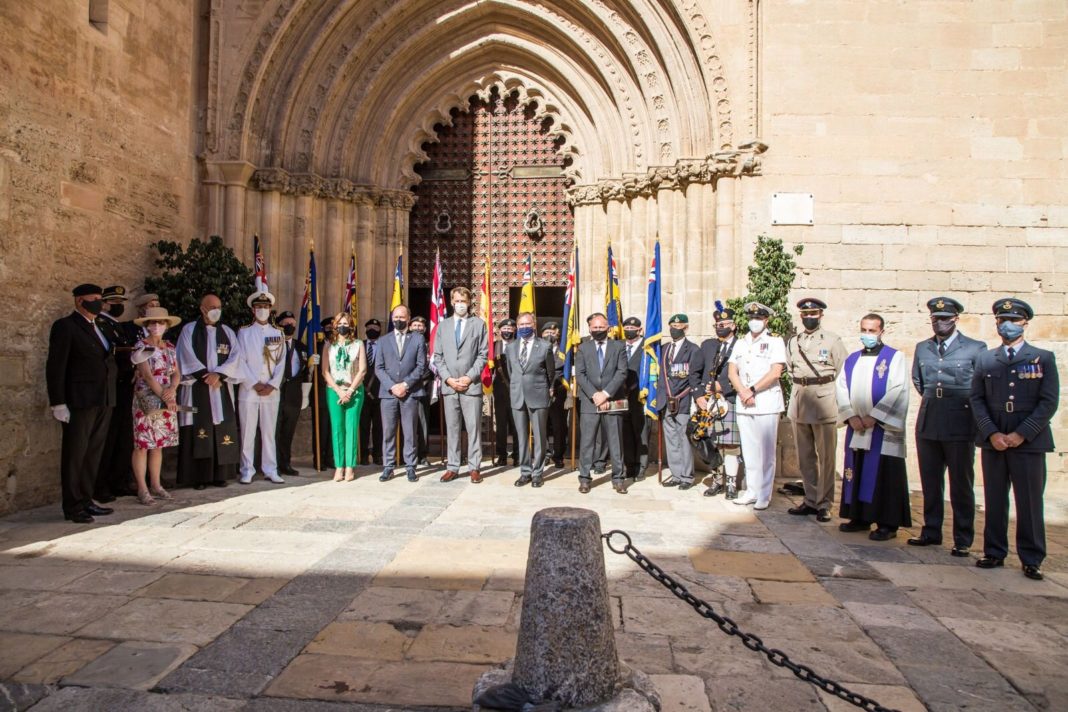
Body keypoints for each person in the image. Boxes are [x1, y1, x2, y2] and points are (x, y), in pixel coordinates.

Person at [971, 298, 1059, 581]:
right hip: (994, 438)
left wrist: (1021, 433)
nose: (1007, 326)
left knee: (1029, 501)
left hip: (1028, 441)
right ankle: (994, 551)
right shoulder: (986, 359)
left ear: (1025, 323)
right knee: (995, 498)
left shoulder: (1042, 358)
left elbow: (1048, 402)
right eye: (1002, 321)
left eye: (1014, 320)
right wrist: (992, 432)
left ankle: (1032, 557)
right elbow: (977, 398)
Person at [908, 297, 985, 555]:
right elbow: (919, 381)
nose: (939, 323)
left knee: (960, 483)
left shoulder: (975, 348)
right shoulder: (923, 348)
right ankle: (931, 530)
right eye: (935, 319)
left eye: (944, 318)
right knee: (930, 481)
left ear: (955, 319)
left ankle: (963, 538)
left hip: (960, 422)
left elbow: (979, 386)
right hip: (930, 420)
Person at [835, 313, 912, 540]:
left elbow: (898, 389)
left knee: (884, 474)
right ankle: (859, 516)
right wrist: (850, 416)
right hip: (857, 426)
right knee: (856, 469)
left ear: (881, 332)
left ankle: (888, 523)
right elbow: (841, 388)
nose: (867, 335)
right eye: (864, 330)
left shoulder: (894, 358)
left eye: (872, 330)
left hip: (881, 428)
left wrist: (875, 417)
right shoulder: (852, 359)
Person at [46, 283, 118, 523]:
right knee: (75, 454)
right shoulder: (66, 327)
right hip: (80, 400)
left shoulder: (101, 327)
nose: (99, 302)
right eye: (94, 298)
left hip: (103, 398)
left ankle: (86, 499)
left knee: (93, 452)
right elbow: (56, 366)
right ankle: (73, 505)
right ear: (79, 301)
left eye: (100, 298)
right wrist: (58, 402)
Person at [786, 298, 847, 522]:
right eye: (805, 314)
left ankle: (825, 503)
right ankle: (810, 500)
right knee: (805, 456)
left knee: (826, 457)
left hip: (824, 400)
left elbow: (842, 372)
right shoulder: (794, 342)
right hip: (800, 399)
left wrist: (842, 406)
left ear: (820, 315)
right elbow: (791, 368)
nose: (808, 318)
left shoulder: (832, 340)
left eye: (813, 313)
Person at [176, 293, 243, 489]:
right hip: (198, 387)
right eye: (212, 307)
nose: (217, 310)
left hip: (220, 388)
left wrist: (220, 375)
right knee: (198, 429)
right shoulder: (189, 330)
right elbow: (185, 355)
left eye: (219, 307)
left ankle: (220, 475)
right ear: (202, 309)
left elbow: (236, 357)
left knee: (221, 427)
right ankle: (199, 477)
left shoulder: (227, 332)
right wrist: (206, 375)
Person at [728, 302, 787, 510]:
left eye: (759, 318)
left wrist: (752, 390)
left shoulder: (775, 341)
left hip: (766, 401)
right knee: (750, 449)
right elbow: (732, 371)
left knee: (766, 451)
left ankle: (764, 494)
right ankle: (751, 490)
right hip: (745, 403)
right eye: (752, 318)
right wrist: (743, 392)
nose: (755, 321)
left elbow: (775, 372)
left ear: (766, 320)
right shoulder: (741, 343)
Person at [433, 287, 489, 483]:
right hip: (449, 387)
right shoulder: (443, 326)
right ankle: (453, 466)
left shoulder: (478, 325)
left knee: (473, 429)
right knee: (453, 428)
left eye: (463, 301)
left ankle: (474, 467)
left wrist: (469, 377)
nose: (460, 304)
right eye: (457, 300)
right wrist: (448, 379)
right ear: (451, 302)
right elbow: (438, 357)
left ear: (469, 302)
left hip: (470, 386)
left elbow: (483, 354)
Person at [130, 307, 182, 505]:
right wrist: (166, 397)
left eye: (160, 323)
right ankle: (142, 488)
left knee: (158, 444)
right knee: (143, 444)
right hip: (147, 397)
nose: (156, 326)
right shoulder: (141, 346)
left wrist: (173, 389)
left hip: (166, 393)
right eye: (152, 323)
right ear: (146, 325)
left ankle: (156, 484)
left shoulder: (169, 346)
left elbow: (176, 372)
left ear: (167, 325)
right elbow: (147, 375)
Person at [235, 291, 287, 484]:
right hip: (249, 390)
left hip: (271, 391)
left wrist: (272, 384)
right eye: (259, 307)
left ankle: (270, 469)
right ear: (252, 310)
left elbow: (282, 362)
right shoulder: (244, 332)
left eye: (265, 307)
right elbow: (239, 360)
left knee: (268, 431)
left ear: (270, 309)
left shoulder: (277, 333)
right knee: (248, 431)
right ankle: (247, 469)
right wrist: (253, 383)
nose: (262, 310)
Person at [574, 313, 629, 494]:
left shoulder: (619, 346)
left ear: (608, 328)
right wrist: (595, 395)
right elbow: (580, 375)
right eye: (594, 327)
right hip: (590, 401)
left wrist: (605, 394)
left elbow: (622, 372)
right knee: (587, 442)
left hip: (614, 399)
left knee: (616, 441)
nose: (598, 330)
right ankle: (584, 478)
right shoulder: (583, 348)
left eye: (601, 327)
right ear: (589, 328)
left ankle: (619, 478)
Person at [95, 285, 138, 502]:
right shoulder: (100, 324)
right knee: (109, 437)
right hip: (112, 385)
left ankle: (118, 481)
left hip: (124, 386)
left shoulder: (117, 326)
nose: (118, 306)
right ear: (104, 303)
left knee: (123, 436)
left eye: (121, 302)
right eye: (114, 302)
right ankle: (101, 485)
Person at [375, 305, 427, 482]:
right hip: (388, 394)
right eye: (395, 317)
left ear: (409, 318)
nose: (398, 320)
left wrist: (405, 384)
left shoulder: (417, 339)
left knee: (410, 431)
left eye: (402, 317)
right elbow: (379, 368)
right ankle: (388, 466)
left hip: (410, 393)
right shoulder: (383, 341)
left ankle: (410, 466)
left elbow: (421, 366)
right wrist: (392, 386)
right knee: (388, 431)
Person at [506, 311, 555, 487]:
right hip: (518, 395)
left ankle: (538, 473)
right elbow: (511, 372)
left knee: (540, 436)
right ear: (517, 327)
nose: (524, 327)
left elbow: (550, 372)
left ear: (533, 325)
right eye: (521, 325)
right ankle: (525, 471)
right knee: (521, 436)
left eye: (527, 324)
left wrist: (548, 389)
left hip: (538, 395)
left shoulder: (544, 346)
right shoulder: (510, 347)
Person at [698, 304, 742, 499]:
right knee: (713, 442)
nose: (719, 327)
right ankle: (717, 480)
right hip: (709, 403)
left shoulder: (741, 345)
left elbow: (745, 374)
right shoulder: (709, 345)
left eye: (724, 323)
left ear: (733, 326)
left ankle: (731, 483)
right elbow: (697, 372)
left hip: (730, 399)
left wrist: (722, 387)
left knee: (730, 445)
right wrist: (699, 393)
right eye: (717, 324)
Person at [658, 314, 704, 490]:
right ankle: (676, 474)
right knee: (671, 438)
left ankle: (687, 476)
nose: (674, 328)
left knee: (683, 438)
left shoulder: (693, 350)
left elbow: (694, 377)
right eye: (672, 325)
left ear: (686, 328)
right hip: (666, 400)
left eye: (679, 325)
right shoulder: (663, 348)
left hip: (683, 400)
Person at [322, 312, 367, 482]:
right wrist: (339, 391)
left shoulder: (358, 344)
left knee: (351, 427)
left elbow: (362, 369)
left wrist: (349, 391)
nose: (343, 326)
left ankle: (350, 466)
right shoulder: (328, 345)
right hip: (334, 391)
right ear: (335, 326)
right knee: (337, 428)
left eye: (346, 324)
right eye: (340, 323)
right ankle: (339, 466)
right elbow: (325, 371)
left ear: (351, 326)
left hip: (354, 391)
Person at [275, 310, 309, 477]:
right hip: (276, 392)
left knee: (288, 432)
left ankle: (285, 463)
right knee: (274, 431)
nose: (290, 327)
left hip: (294, 395)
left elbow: (305, 372)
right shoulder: (273, 344)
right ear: (278, 324)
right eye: (286, 324)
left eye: (293, 325)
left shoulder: (301, 347)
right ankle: (272, 464)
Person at [621, 316, 649, 480]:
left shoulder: (648, 348)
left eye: (633, 329)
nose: (629, 332)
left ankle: (641, 467)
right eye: (627, 329)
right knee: (625, 434)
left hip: (640, 397)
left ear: (640, 330)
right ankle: (628, 465)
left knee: (641, 433)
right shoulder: (618, 346)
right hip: (622, 397)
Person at [541, 321, 568, 468]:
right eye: (547, 333)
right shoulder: (538, 349)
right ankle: (544, 454)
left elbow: (564, 371)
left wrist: (553, 386)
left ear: (558, 335)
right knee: (541, 424)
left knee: (559, 426)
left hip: (559, 392)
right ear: (542, 335)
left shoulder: (564, 351)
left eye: (553, 333)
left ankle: (558, 455)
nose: (550, 335)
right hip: (540, 392)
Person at [409, 315, 434, 466]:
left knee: (423, 421)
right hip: (405, 389)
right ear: (410, 327)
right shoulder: (404, 343)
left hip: (423, 387)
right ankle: (406, 455)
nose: (418, 328)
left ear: (425, 329)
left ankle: (422, 455)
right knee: (406, 423)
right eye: (415, 325)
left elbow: (430, 368)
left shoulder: (430, 345)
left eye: (420, 326)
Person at [493, 318, 518, 466]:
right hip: (499, 389)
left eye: (510, 329)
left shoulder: (519, 345)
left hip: (516, 388)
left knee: (516, 423)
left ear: (514, 330)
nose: (507, 331)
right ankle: (501, 455)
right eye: (505, 329)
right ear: (499, 331)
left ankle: (517, 455)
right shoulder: (494, 346)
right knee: (501, 423)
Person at [360, 318, 384, 465]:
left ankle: (377, 454)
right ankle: (363, 455)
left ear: (380, 330)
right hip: (362, 390)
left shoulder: (384, 345)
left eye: (375, 327)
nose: (372, 329)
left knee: (379, 426)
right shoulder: (359, 345)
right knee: (363, 425)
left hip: (380, 391)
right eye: (369, 327)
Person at [314, 316, 336, 470]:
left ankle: (330, 457)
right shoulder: (316, 346)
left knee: (333, 427)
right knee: (322, 428)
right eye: (328, 328)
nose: (330, 330)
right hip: (321, 393)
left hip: (337, 392)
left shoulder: (339, 345)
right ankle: (319, 459)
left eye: (332, 328)